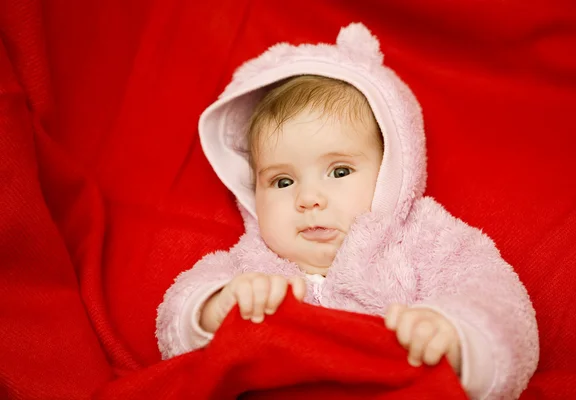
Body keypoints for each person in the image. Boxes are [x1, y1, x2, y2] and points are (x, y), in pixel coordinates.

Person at [156, 23, 538, 399]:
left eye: (339, 171)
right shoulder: (251, 265)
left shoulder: (425, 243)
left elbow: (501, 304)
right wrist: (216, 306)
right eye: (283, 181)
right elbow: (177, 315)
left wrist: (456, 336)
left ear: (393, 168)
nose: (308, 199)